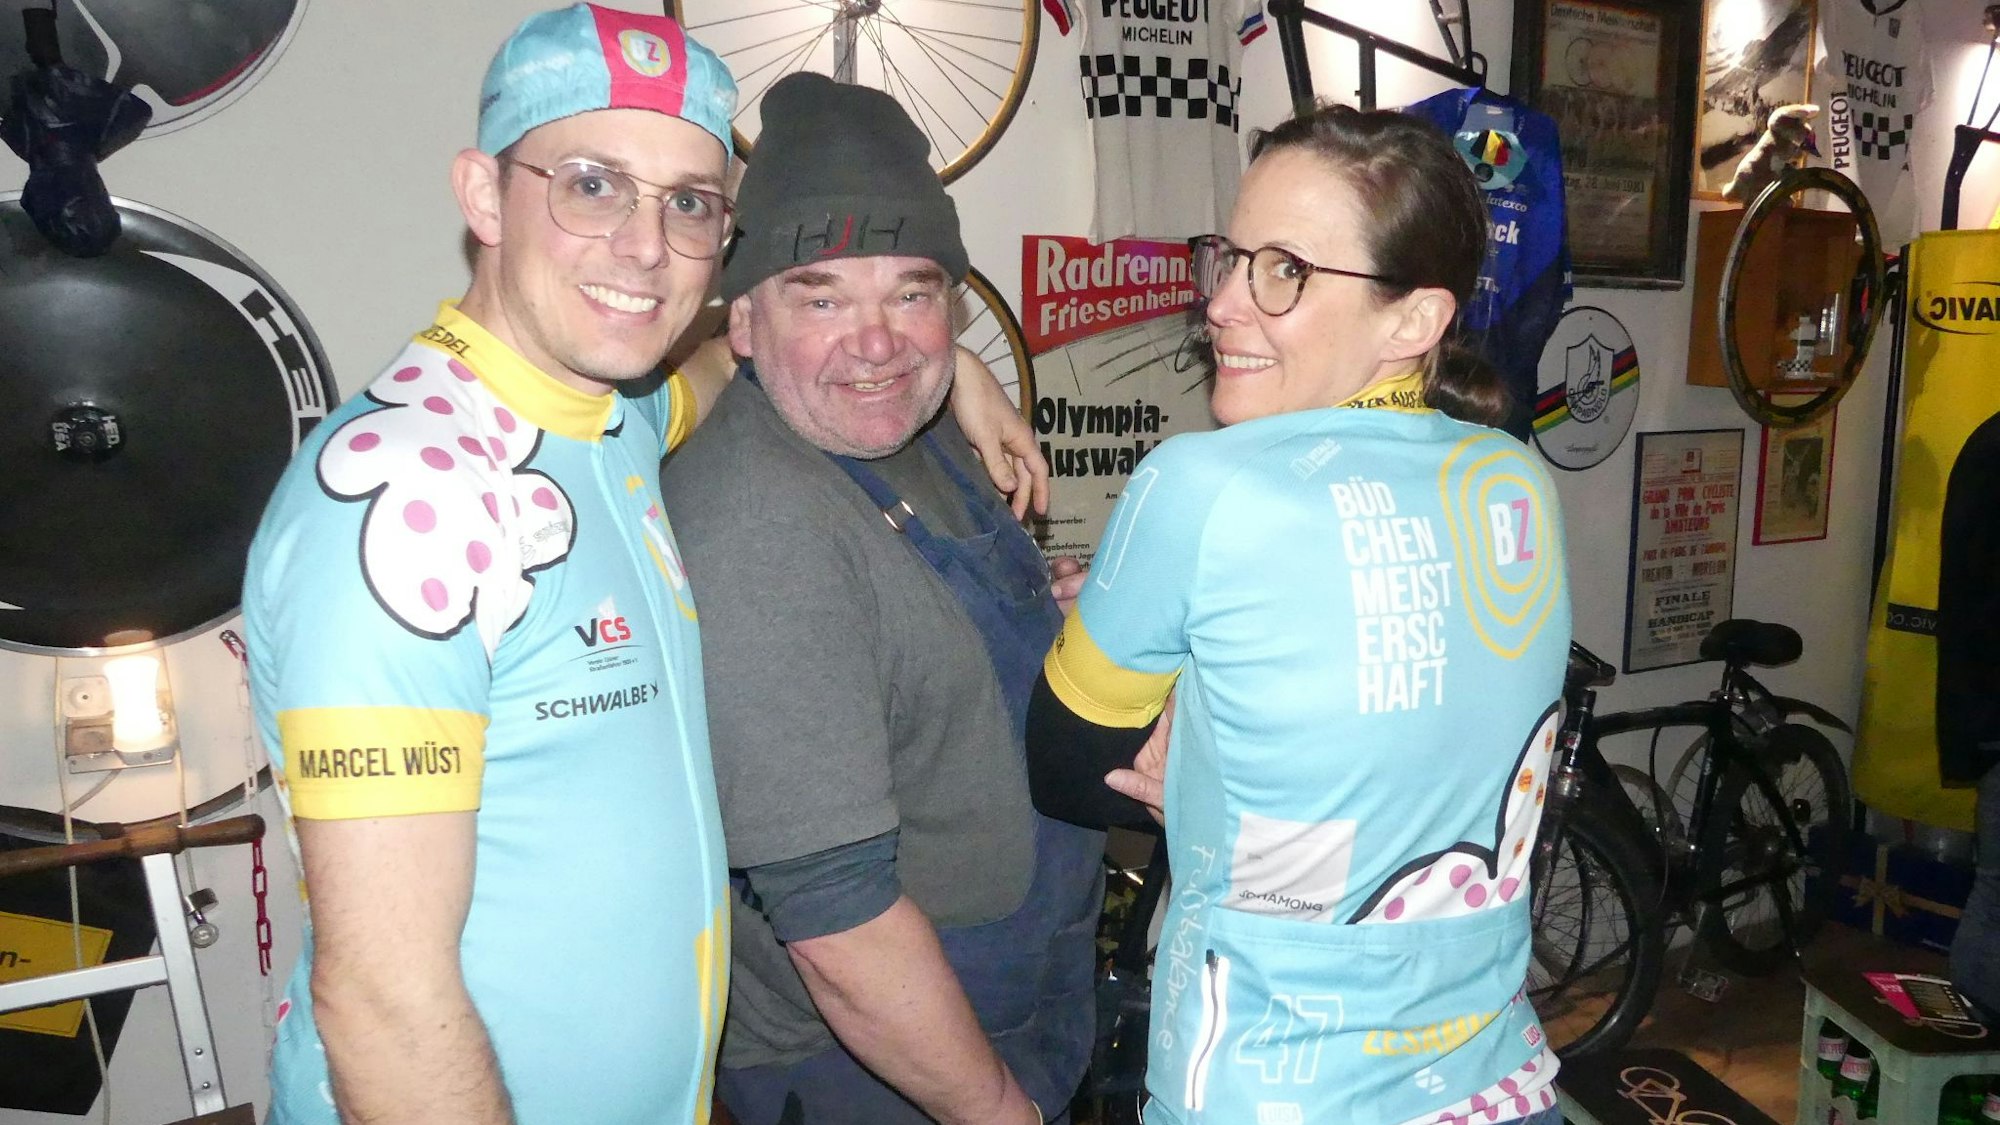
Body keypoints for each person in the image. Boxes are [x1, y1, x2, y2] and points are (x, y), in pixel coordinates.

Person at [242, 8, 1041, 1123]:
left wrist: (948, 359)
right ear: (481, 195)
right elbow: (383, 1001)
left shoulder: (610, 424)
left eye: (689, 204)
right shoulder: (412, 494)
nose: (644, 247)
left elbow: (733, 354)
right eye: (591, 184)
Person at [1027, 103, 1572, 1125]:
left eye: (1282, 271)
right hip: (1491, 1083)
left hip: (1265, 1088)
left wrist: (1196, 755)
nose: (1222, 303)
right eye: (1228, 258)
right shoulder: (1513, 476)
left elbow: (1060, 768)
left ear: (1412, 320)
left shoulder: (1198, 484)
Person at [659, 72, 1103, 1125]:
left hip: (1016, 990)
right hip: (882, 1066)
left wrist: (1051, 612)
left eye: (910, 291)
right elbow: (841, 928)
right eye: (821, 295)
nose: (877, 342)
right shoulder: (760, 525)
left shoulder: (915, 424)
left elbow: (904, 641)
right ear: (744, 324)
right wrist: (998, 1111)